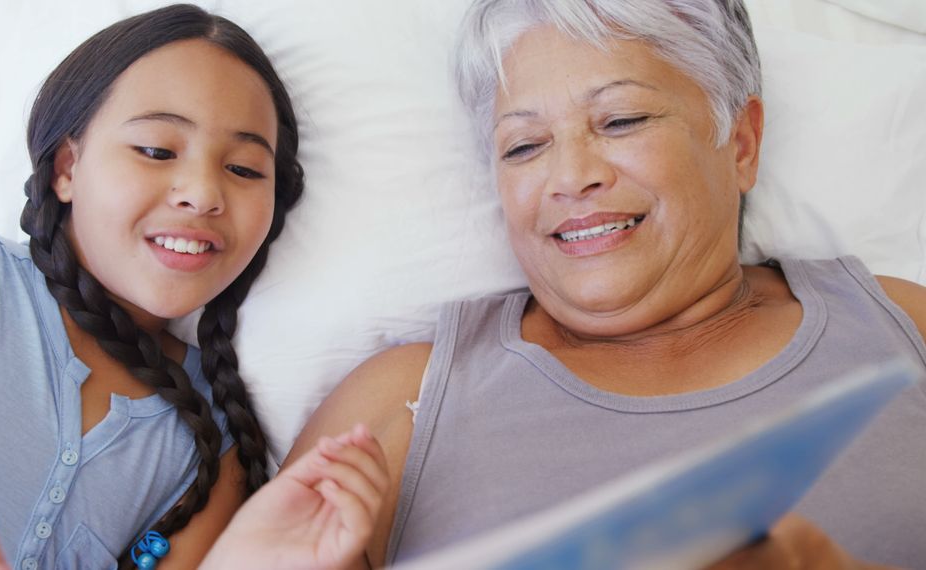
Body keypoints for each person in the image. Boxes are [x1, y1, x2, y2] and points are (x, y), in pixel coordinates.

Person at [286, 0, 926, 568]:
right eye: (524, 146)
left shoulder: (903, 325)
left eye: (620, 120)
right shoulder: (393, 409)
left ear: (742, 144)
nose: (571, 176)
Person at [0, 4, 386, 569]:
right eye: (156, 151)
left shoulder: (213, 452)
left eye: (246, 170)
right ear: (66, 168)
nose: (203, 193)